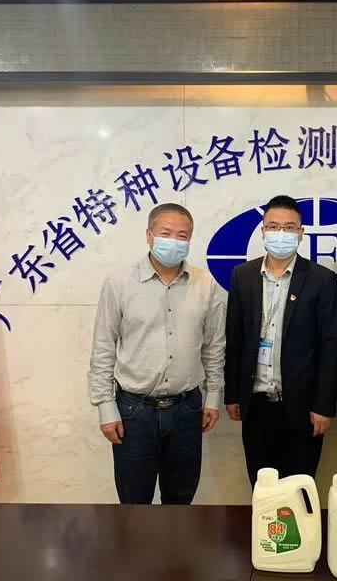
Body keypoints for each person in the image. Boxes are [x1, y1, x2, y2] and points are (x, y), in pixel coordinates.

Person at [87, 203, 225, 505]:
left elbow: (214, 347)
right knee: (134, 503)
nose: (174, 241)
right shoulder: (120, 283)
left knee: (181, 501)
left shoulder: (205, 284)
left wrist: (213, 397)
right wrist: (105, 407)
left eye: (182, 235)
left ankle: (175, 541)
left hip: (187, 410)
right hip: (134, 412)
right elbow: (103, 348)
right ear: (149, 236)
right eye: (166, 233)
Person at [224, 195, 337, 485]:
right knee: (262, 490)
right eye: (274, 227)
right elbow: (234, 339)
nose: (281, 233)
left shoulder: (321, 279)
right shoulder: (243, 276)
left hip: (302, 408)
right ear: (263, 231)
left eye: (289, 228)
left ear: (301, 233)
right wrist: (233, 395)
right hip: (256, 406)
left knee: (299, 491)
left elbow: (330, 346)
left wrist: (323, 405)